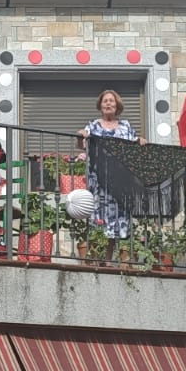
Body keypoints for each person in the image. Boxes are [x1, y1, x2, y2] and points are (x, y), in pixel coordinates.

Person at [75, 89, 146, 263]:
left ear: (117, 106)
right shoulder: (92, 126)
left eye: (111, 101)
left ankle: (120, 263)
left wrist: (140, 142)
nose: (108, 103)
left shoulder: (126, 127)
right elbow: (80, 146)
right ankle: (101, 260)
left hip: (120, 183)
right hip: (98, 183)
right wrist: (80, 137)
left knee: (119, 220)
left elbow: (135, 147)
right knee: (100, 219)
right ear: (100, 105)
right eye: (105, 101)